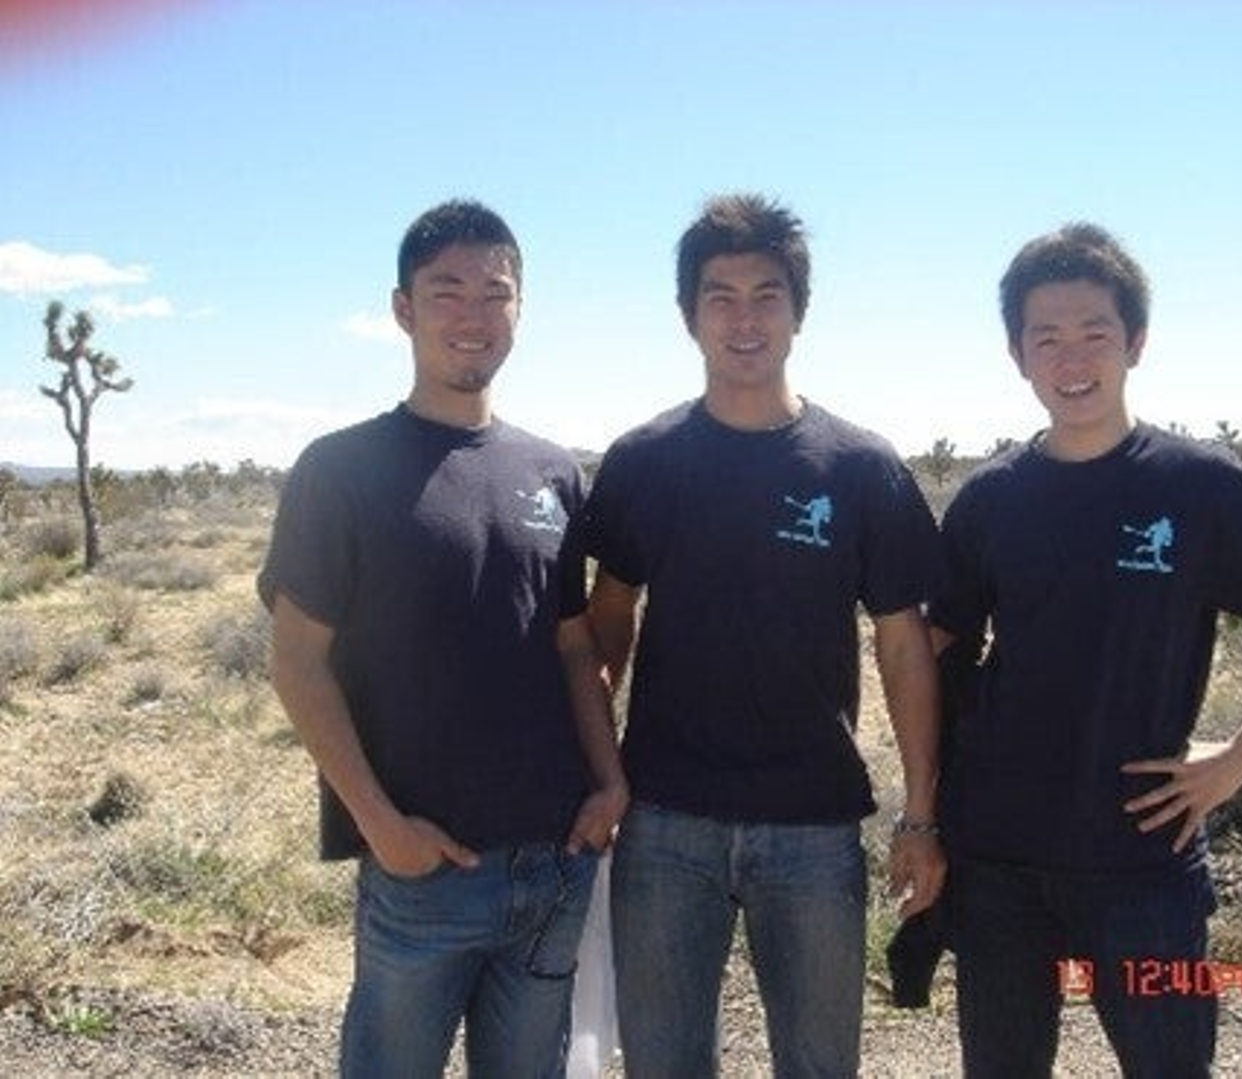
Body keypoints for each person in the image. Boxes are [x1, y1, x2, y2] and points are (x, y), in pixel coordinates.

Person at [929, 222, 1242, 1077]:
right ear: (1018, 354)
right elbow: (939, 646)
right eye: (1046, 338)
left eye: (1094, 332)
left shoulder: (1196, 485)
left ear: (1135, 341)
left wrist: (1238, 761)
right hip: (1000, 858)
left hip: (1143, 859)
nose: (1072, 358)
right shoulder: (990, 499)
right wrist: (929, 810)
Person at [577, 193, 946, 1078]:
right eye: (721, 296)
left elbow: (903, 646)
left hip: (813, 824)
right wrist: (597, 770)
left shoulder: (861, 468)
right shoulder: (644, 461)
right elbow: (607, 620)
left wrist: (922, 811)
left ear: (798, 311)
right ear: (689, 315)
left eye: (766, 295)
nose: (744, 319)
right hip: (665, 818)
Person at [258, 199, 626, 1078]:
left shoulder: (552, 471)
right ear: (403, 309)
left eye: (495, 292)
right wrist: (380, 824)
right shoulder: (340, 469)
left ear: (521, 308)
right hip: (423, 872)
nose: (473, 314)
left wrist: (610, 780)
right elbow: (297, 663)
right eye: (446, 291)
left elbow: (574, 645)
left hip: (554, 860)